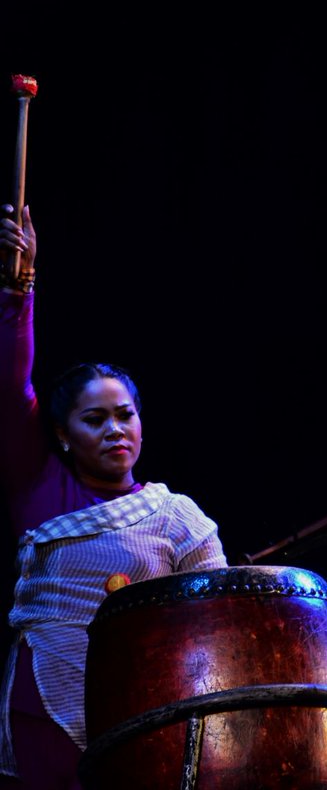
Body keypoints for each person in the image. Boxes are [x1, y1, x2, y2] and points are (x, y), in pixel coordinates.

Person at [0, 205, 228, 788]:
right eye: (95, 419)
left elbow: (217, 625)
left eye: (125, 415)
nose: (115, 430)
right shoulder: (40, 488)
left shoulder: (177, 517)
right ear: (61, 434)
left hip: (147, 713)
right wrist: (19, 287)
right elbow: (9, 385)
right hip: (44, 710)